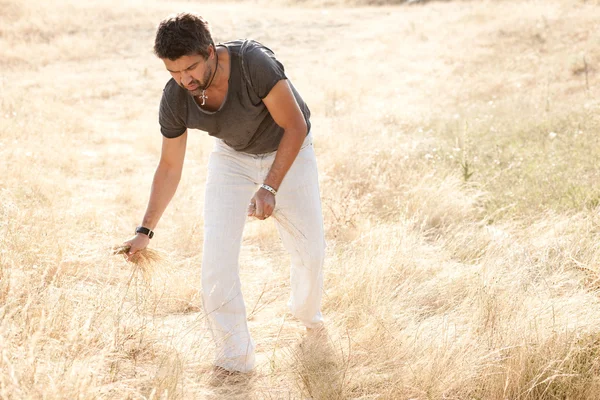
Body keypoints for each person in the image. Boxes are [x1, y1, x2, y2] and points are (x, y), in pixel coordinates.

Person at [123, 12, 326, 373]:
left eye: (190, 68)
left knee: (310, 251)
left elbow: (295, 125)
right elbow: (169, 167)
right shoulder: (175, 98)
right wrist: (145, 231)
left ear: (210, 50)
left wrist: (270, 185)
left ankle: (307, 314)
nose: (184, 79)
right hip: (232, 159)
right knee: (216, 261)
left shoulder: (253, 64)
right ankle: (235, 358)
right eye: (173, 72)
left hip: (288, 149)